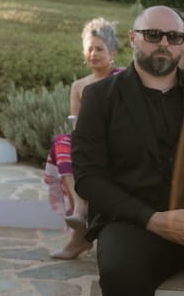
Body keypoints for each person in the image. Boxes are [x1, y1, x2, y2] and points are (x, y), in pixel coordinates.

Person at [72, 6, 184, 296]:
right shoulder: (99, 97)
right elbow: (88, 177)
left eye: (174, 37)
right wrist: (152, 219)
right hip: (131, 223)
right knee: (121, 275)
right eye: (153, 35)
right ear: (132, 38)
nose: (164, 43)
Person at [45, 17, 122, 260]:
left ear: (112, 53)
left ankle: (79, 236)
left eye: (99, 48)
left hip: (116, 141)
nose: (93, 53)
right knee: (62, 142)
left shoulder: (121, 79)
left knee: (75, 149)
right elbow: (76, 124)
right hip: (87, 142)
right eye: (89, 48)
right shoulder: (79, 86)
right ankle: (80, 206)